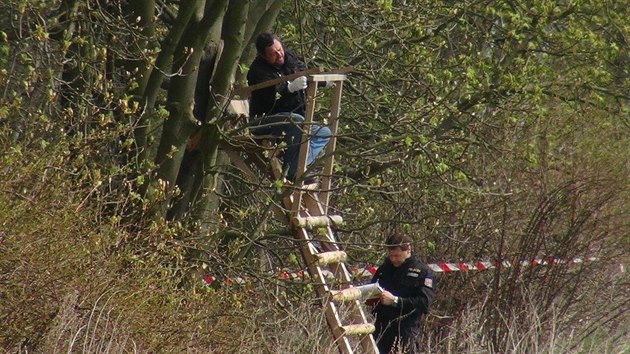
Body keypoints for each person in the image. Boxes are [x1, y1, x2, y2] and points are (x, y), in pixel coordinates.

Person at [246, 32, 331, 183]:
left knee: (324, 132)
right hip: (264, 120)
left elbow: (302, 70)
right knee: (296, 121)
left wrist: (322, 81)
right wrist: (289, 88)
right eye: (273, 54)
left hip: (294, 117)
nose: (279, 55)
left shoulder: (288, 57)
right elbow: (268, 99)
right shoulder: (257, 72)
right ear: (264, 56)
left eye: (280, 49)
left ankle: (298, 166)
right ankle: (293, 172)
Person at [369, 234, 435, 354]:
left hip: (405, 329)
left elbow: (424, 303)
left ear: (408, 250)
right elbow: (372, 289)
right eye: (391, 255)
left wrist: (395, 301)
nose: (393, 259)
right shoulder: (384, 269)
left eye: (397, 256)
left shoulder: (422, 271)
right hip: (381, 328)